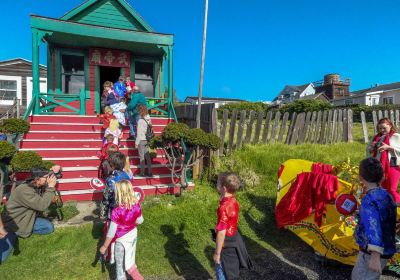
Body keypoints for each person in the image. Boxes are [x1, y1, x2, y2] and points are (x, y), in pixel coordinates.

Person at [0, 166, 60, 263]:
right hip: (13, 223)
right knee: (2, 257)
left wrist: (55, 171)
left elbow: (55, 174)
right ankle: (17, 233)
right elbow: (42, 206)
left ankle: (24, 230)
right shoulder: (25, 190)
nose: (48, 179)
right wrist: (51, 187)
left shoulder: (35, 185)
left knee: (48, 227)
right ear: (37, 178)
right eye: (46, 177)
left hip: (27, 218)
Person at [352, 157, 397, 280]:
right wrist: (362, 214)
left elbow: (374, 228)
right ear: (382, 177)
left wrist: (375, 256)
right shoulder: (386, 195)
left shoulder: (369, 200)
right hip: (387, 248)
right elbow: (382, 218)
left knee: (359, 277)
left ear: (361, 178)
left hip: (371, 252)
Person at [100, 180, 144, 280]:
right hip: (132, 237)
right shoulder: (136, 206)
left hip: (120, 241)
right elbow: (140, 220)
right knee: (130, 260)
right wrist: (130, 224)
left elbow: (111, 232)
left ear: (119, 194)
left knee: (120, 268)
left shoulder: (116, 211)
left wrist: (104, 246)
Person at [213, 172, 253, 280]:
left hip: (226, 242)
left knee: (221, 268)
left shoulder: (224, 207)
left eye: (218, 183)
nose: (216, 184)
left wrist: (217, 253)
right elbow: (223, 197)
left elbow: (221, 232)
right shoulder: (233, 200)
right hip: (234, 237)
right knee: (231, 270)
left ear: (224, 188)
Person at [367, 117, 400, 203]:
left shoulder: (396, 136)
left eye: (384, 128)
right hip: (379, 166)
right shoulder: (376, 137)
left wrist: (388, 147)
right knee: (382, 188)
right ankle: (388, 207)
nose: (382, 130)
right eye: (380, 128)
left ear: (390, 126)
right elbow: (368, 150)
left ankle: (398, 204)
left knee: (392, 189)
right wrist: (372, 147)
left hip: (393, 165)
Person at [100, 152, 131, 220]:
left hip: (114, 210)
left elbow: (106, 199)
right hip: (126, 208)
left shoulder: (110, 180)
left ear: (112, 165)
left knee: (113, 228)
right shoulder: (127, 176)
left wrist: (103, 214)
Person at [136, 105, 152, 177]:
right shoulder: (148, 119)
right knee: (147, 156)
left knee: (142, 157)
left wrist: (136, 143)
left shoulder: (140, 120)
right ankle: (150, 172)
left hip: (141, 140)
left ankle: (142, 173)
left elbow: (139, 133)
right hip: (147, 139)